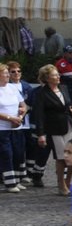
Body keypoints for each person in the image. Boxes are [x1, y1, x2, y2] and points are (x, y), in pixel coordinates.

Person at [30, 65, 72, 196]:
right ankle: (61, 184)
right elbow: (39, 115)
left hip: (69, 125)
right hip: (54, 128)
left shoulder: (64, 88)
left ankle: (68, 181)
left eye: (58, 74)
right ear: (47, 78)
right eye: (55, 75)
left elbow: (68, 104)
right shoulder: (41, 93)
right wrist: (41, 134)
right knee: (61, 157)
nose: (58, 76)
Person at [0, 62, 29, 193]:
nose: (7, 75)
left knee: (18, 153)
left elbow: (24, 105)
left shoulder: (12, 88)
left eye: (7, 73)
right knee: (7, 154)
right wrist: (10, 118)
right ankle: (9, 183)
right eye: (5, 73)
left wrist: (21, 115)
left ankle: (17, 179)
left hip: (16, 126)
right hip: (2, 128)